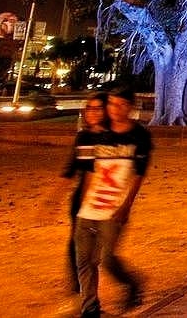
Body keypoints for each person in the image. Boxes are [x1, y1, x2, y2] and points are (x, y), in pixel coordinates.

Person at [72, 88, 151, 317]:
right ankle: (91, 308)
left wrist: (126, 206)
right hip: (89, 208)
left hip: (114, 208)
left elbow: (139, 174)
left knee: (107, 260)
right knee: (84, 261)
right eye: (111, 105)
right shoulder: (94, 135)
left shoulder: (139, 136)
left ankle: (132, 283)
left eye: (120, 105)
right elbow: (87, 171)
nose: (114, 110)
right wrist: (81, 205)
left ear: (130, 107)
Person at [63, 92, 109, 294]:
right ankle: (79, 288)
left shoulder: (113, 138)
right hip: (81, 199)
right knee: (76, 244)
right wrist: (53, 198)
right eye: (89, 108)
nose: (91, 113)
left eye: (97, 108)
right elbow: (71, 168)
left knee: (101, 248)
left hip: (103, 199)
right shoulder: (82, 137)